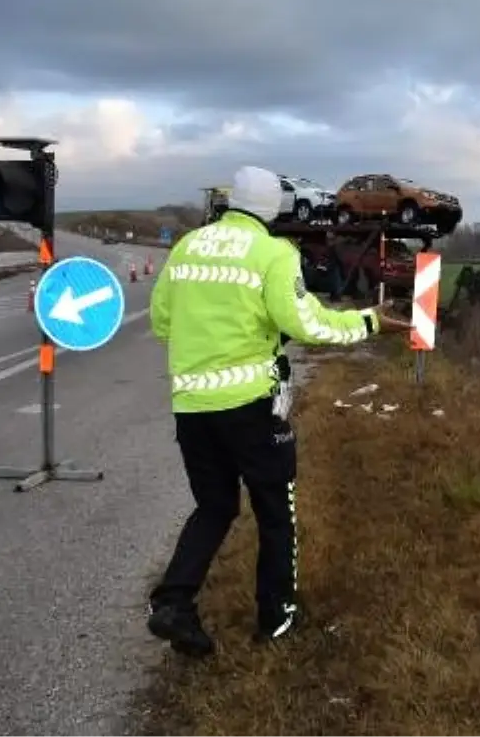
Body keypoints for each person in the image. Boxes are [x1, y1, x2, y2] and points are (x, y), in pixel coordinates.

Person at [146, 164, 408, 657]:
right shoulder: (273, 253)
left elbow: (163, 322)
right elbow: (305, 323)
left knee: (215, 506)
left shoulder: (186, 247)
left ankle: (174, 603)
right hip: (251, 407)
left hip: (191, 406)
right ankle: (276, 615)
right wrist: (370, 322)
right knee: (273, 507)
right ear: (275, 208)